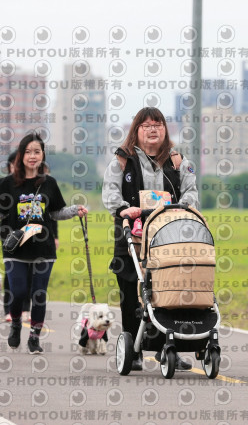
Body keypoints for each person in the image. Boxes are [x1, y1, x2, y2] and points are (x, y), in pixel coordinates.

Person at [102, 107, 199, 371]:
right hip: (131, 238)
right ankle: (133, 351)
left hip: (170, 237)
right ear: (136, 130)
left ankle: (168, 347)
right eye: (146, 126)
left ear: (165, 129)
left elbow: (191, 192)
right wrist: (124, 208)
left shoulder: (178, 161)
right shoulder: (122, 161)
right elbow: (110, 193)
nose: (153, 129)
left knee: (171, 291)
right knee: (131, 294)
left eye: (158, 124)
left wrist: (184, 207)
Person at [0, 132, 87, 355]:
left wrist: (75, 210)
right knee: (18, 291)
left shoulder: (49, 183)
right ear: (21, 155)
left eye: (37, 152)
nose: (32, 156)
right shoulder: (8, 183)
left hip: (43, 248)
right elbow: (1, 212)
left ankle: (34, 337)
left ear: (42, 155)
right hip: (16, 248)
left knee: (39, 294)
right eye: (28, 152)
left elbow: (56, 212)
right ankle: (16, 324)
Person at [0, 152, 59, 322]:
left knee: (30, 275)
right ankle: (9, 310)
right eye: (14, 163)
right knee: (13, 276)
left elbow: (51, 215)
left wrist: (55, 235)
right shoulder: (4, 183)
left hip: (36, 237)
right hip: (11, 235)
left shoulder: (40, 186)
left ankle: (26, 309)